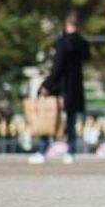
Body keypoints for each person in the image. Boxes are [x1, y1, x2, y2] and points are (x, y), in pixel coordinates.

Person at [31, 11, 90, 165]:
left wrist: (47, 85)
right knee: (70, 122)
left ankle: (42, 150)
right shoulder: (82, 43)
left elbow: (57, 68)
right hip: (74, 87)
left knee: (50, 119)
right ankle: (71, 151)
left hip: (60, 87)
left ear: (66, 24)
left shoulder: (62, 42)